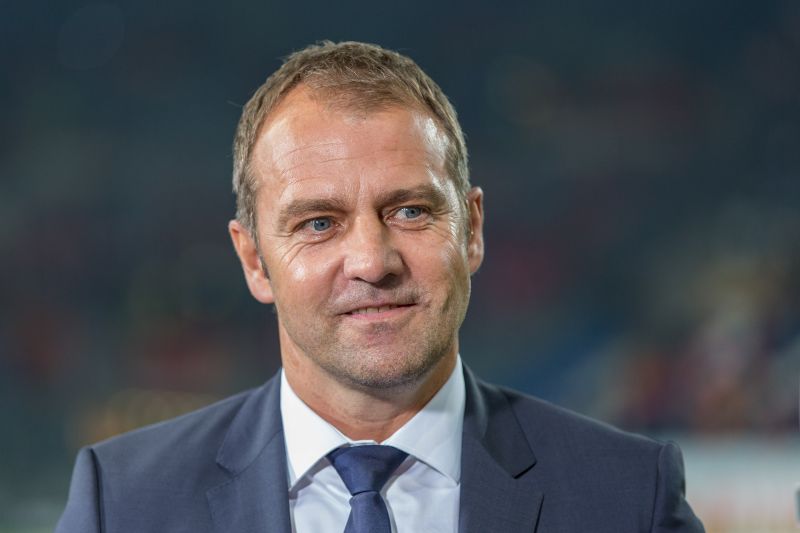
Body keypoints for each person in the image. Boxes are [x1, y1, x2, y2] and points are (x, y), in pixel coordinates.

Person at [56, 41, 704, 532]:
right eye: (318, 222)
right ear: (254, 260)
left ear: (472, 230)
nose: (371, 261)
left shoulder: (629, 497)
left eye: (411, 211)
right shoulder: (124, 502)